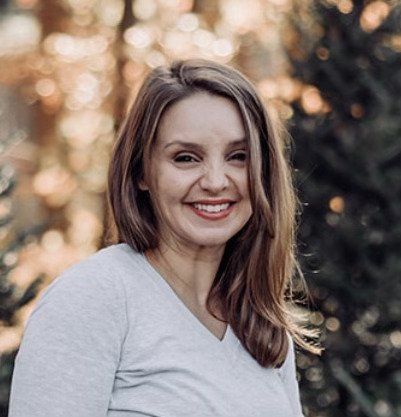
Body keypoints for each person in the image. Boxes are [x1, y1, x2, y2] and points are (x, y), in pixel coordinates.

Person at [8, 59, 321, 417]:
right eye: (186, 158)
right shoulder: (93, 298)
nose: (216, 181)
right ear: (142, 171)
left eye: (238, 157)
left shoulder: (261, 322)